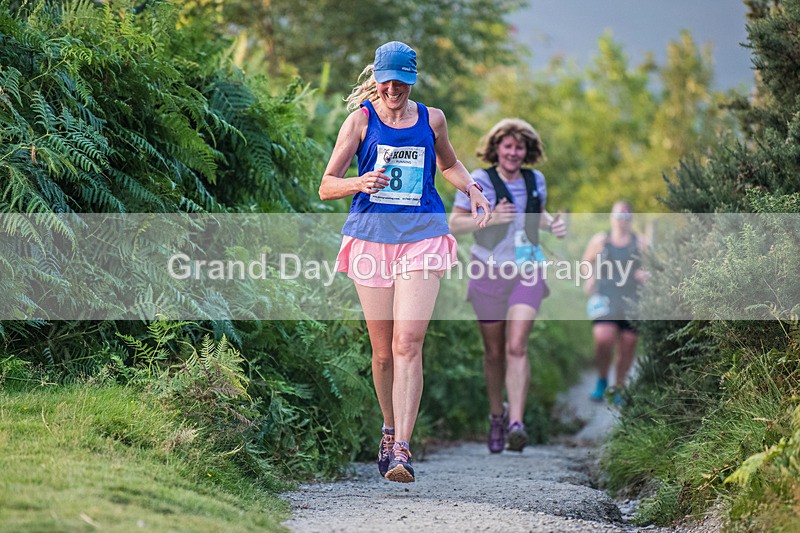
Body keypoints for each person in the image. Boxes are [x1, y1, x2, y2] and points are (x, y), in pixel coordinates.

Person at [319, 41, 491, 483]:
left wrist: (471, 189)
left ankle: (402, 450)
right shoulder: (360, 121)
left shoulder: (432, 119)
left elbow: (449, 164)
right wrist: (359, 181)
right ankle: (388, 427)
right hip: (371, 240)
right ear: (376, 79)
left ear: (412, 80)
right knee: (382, 354)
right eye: (387, 82)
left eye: (402, 82)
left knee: (408, 342)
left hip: (423, 236)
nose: (394, 90)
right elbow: (326, 185)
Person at [449, 118, 567, 454]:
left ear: (528, 151)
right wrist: (489, 218)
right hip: (488, 270)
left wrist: (552, 224)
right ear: (496, 148)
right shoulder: (480, 179)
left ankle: (517, 423)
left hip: (527, 270)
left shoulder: (535, 180)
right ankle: (496, 416)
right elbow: (454, 223)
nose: (514, 153)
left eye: (520, 147)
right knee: (494, 352)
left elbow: (536, 214)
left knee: (517, 345)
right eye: (508, 146)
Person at [581, 201, 649, 404]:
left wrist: (646, 274)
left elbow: (652, 266)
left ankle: (619, 388)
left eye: (626, 217)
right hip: (606, 295)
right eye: (618, 216)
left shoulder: (640, 242)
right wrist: (589, 277)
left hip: (632, 297)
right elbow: (586, 261)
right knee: (604, 338)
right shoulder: (601, 240)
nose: (622, 221)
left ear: (631, 219)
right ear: (611, 217)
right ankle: (602, 380)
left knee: (628, 343)